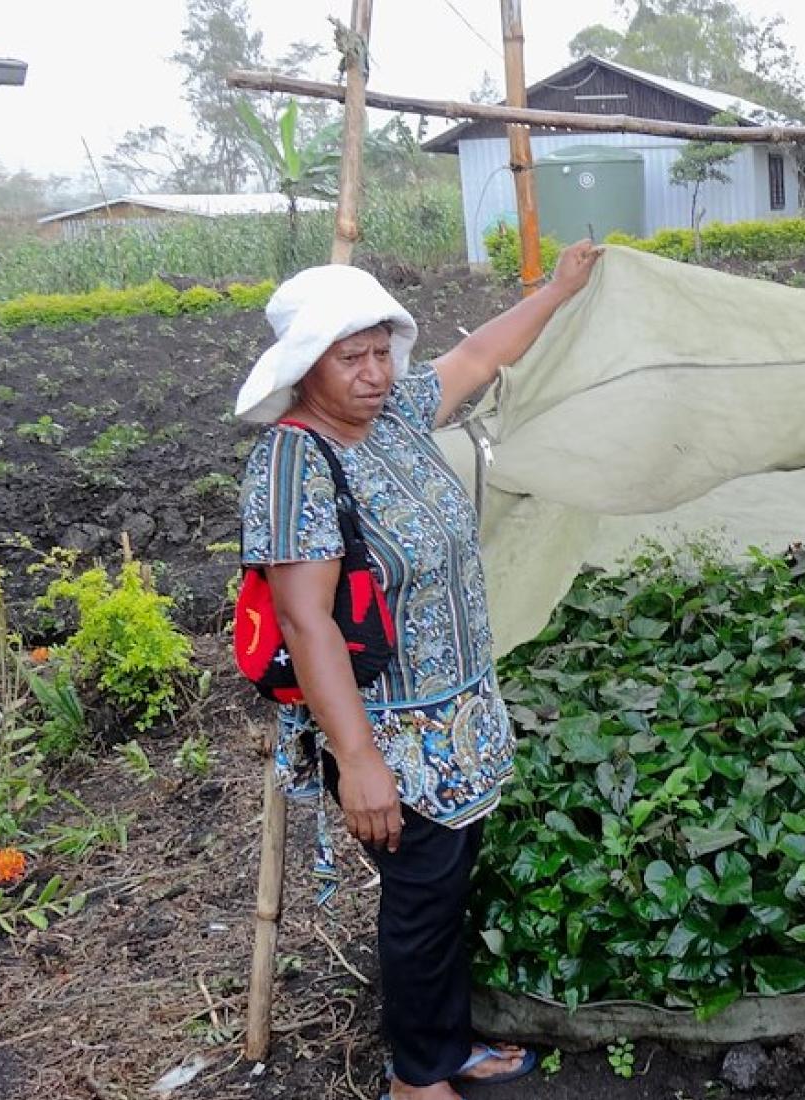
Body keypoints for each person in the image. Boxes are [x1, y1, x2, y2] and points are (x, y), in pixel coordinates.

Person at [234, 242, 602, 1100]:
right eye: (350, 358)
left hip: (457, 714)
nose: (373, 372)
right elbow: (306, 619)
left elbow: (477, 357)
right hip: (391, 730)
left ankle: (445, 1044)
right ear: (306, 368)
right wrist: (358, 759)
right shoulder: (296, 460)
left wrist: (557, 290)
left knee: (443, 890)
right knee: (420, 898)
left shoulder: (393, 413)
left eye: (379, 352)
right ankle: (416, 1078)